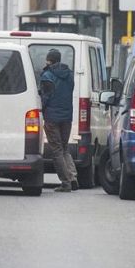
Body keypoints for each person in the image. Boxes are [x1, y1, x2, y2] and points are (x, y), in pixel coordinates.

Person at [40, 48, 78, 192]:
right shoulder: (69, 75)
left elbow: (45, 97)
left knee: (56, 150)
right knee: (65, 148)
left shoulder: (47, 75)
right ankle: (73, 177)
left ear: (49, 60)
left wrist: (41, 110)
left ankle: (66, 183)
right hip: (66, 117)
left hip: (52, 118)